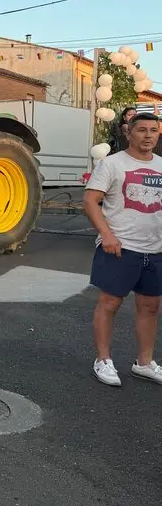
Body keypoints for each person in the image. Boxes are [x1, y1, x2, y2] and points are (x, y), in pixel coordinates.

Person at [85, 112, 162, 387]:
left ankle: (144, 363)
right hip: (120, 246)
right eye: (142, 130)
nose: (148, 135)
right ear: (129, 133)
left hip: (155, 250)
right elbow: (90, 200)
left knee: (151, 306)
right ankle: (103, 360)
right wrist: (106, 234)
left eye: (153, 130)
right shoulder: (112, 164)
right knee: (110, 303)